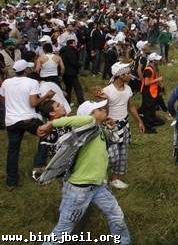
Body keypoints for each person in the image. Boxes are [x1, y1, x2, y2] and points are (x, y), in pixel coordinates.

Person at [37, 100, 131, 244]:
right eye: (99, 109)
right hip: (79, 188)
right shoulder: (89, 124)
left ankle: (124, 242)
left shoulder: (98, 130)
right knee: (63, 230)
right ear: (90, 116)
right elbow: (85, 119)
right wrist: (51, 123)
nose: (104, 110)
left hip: (98, 186)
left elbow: (114, 139)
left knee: (116, 215)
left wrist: (111, 127)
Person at [0, 60, 55, 190]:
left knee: (13, 150)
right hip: (27, 119)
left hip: (12, 121)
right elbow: (33, 103)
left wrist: (13, 105)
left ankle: (11, 182)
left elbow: (2, 99)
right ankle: (39, 167)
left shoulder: (7, 83)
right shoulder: (32, 82)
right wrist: (46, 96)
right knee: (46, 133)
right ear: (25, 70)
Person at [98, 62, 145, 190]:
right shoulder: (107, 91)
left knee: (123, 153)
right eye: (128, 73)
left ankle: (115, 179)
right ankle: (101, 177)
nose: (130, 75)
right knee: (111, 155)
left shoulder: (128, 89)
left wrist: (139, 121)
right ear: (120, 75)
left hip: (124, 125)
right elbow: (103, 111)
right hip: (110, 127)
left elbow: (130, 106)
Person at [139, 52, 164, 134]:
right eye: (157, 60)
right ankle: (147, 127)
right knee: (148, 109)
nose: (159, 61)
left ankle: (152, 120)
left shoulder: (153, 68)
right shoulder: (148, 70)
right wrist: (158, 80)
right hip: (147, 92)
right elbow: (146, 83)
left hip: (152, 92)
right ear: (153, 61)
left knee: (152, 108)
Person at [60, 39, 85, 105]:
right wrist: (79, 64)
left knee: (68, 88)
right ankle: (81, 103)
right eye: (74, 43)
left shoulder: (62, 51)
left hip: (65, 73)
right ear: (70, 44)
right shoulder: (71, 51)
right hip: (72, 72)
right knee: (78, 88)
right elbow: (73, 61)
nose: (75, 45)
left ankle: (67, 102)